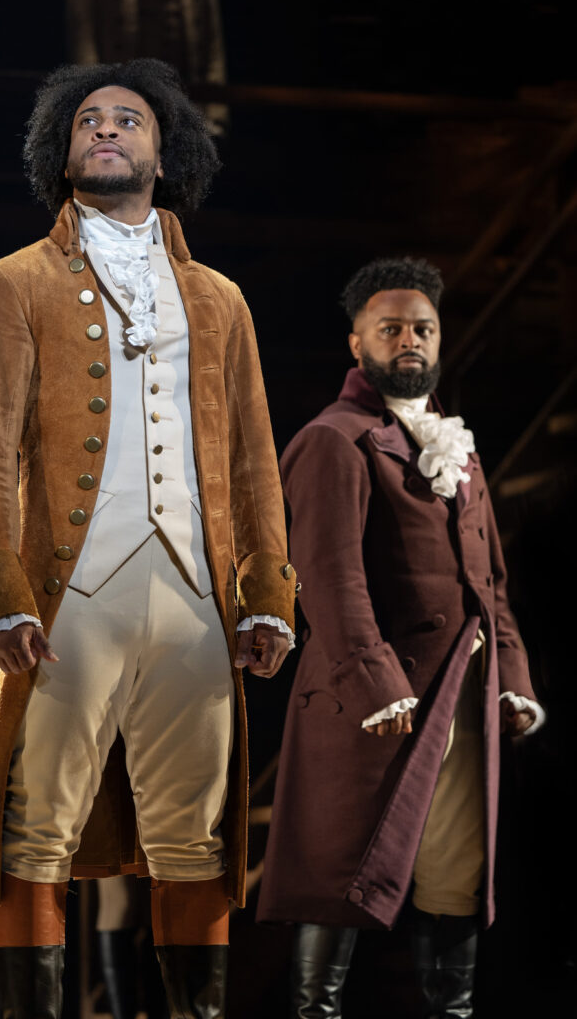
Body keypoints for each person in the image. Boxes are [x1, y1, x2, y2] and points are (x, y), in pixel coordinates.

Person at [0, 59, 296, 1019]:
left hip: (195, 598)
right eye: (88, 121)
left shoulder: (219, 299)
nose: (107, 129)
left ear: (165, 151)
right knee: (35, 832)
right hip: (70, 597)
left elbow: (255, 458)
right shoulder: (8, 284)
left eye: (128, 119)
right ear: (60, 156)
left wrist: (268, 591)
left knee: (198, 835)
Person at [256, 257, 543, 1018]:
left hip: (463, 693)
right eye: (390, 329)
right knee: (338, 876)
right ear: (357, 344)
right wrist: (375, 682)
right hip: (375, 701)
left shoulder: (458, 447)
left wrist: (512, 676)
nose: (409, 339)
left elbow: (491, 583)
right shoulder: (333, 439)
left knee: (454, 874)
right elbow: (328, 575)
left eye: (422, 328)